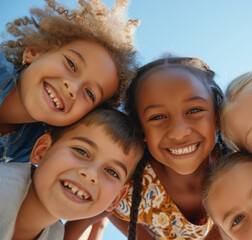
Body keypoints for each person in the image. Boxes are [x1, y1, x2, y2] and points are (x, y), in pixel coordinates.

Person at [0, 0, 139, 163]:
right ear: (34, 52)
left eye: (89, 94)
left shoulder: (32, 148)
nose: (72, 88)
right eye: (71, 64)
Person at [105, 56, 229, 239]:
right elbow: (100, 207)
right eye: (157, 117)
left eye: (194, 110)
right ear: (141, 129)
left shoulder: (240, 172)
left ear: (217, 116)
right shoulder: (129, 181)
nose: (178, 133)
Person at [0, 108, 144, 240]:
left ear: (116, 198)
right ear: (42, 151)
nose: (91, 174)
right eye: (81, 151)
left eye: (112, 172)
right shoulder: (3, 189)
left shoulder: (55, 233)